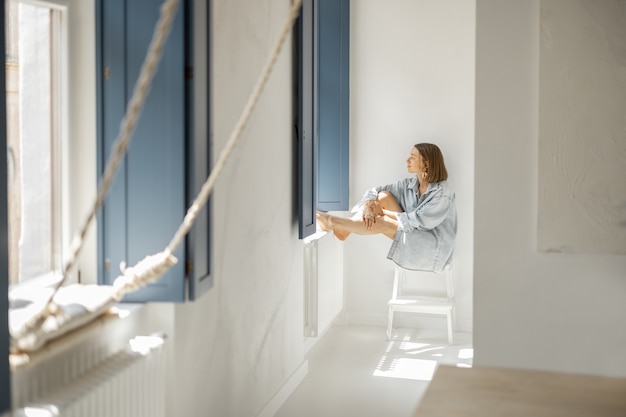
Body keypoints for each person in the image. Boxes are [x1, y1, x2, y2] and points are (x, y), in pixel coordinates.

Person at [316, 143, 457, 272]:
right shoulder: (410, 184)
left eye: (413, 157)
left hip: (431, 247)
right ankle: (344, 230)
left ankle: (332, 221)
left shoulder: (443, 192)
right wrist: (367, 206)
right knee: (383, 195)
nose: (407, 160)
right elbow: (374, 190)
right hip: (412, 230)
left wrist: (382, 212)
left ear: (426, 164)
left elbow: (421, 222)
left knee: (383, 221)